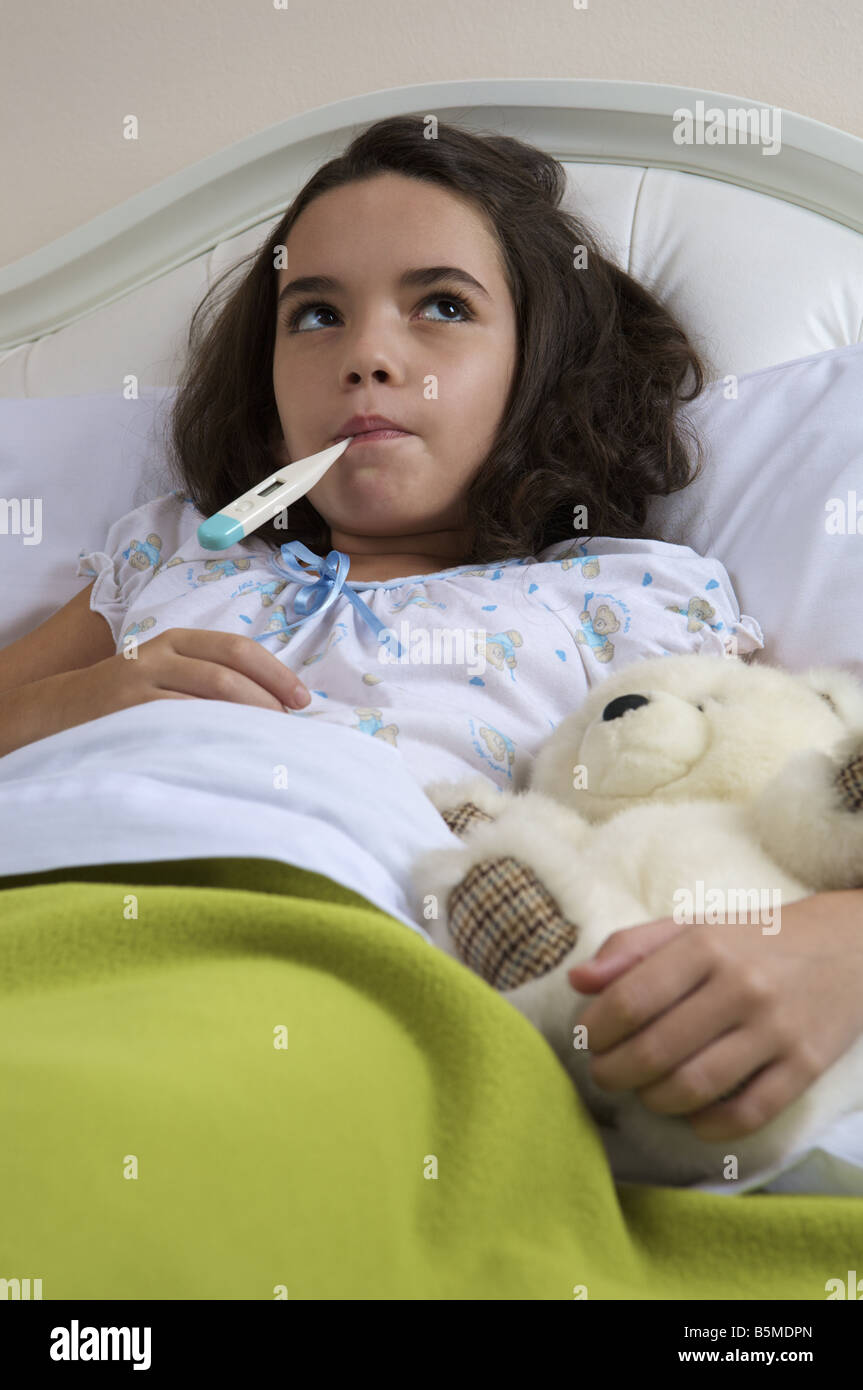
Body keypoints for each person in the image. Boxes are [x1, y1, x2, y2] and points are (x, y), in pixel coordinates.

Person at [1, 115, 860, 1146]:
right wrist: (69, 705)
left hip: (353, 971)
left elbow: (763, 812)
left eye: (441, 306)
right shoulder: (174, 555)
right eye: (313, 315)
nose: (364, 355)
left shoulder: (622, 596)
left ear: (538, 365)